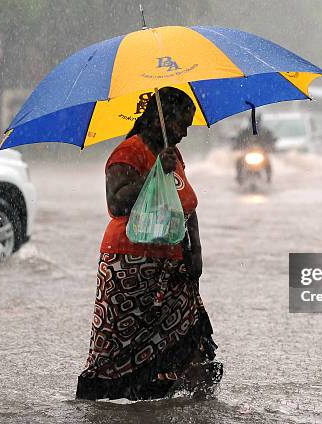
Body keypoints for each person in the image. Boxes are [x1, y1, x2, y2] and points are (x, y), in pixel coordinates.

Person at [76, 87, 223, 401]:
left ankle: (196, 409)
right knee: (116, 351)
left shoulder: (174, 155)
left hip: (173, 268)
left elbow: (186, 205)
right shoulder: (128, 153)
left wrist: (196, 252)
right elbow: (117, 203)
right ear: (160, 118)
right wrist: (157, 173)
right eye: (181, 124)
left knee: (192, 340)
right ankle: (96, 407)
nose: (184, 133)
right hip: (131, 268)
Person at [232, 113, 276, 183]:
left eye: (257, 122)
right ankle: (239, 176)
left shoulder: (265, 132)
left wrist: (270, 146)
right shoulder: (245, 132)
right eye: (253, 122)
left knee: (268, 162)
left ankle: (269, 178)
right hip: (248, 153)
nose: (255, 124)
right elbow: (238, 140)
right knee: (239, 161)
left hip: (261, 153)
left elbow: (271, 140)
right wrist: (236, 145)